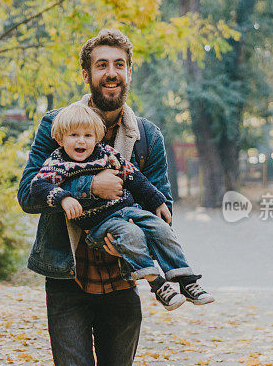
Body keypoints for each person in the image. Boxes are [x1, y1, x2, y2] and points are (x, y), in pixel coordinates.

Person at [17, 28, 179, 366]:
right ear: (86, 73)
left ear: (129, 72)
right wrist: (90, 184)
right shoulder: (58, 125)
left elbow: (163, 206)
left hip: (121, 283)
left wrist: (132, 232)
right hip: (67, 280)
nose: (111, 73)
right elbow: (28, 195)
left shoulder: (147, 137)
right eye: (102, 65)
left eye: (119, 65)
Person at [30, 102, 213, 310]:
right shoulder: (58, 163)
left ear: (96, 137)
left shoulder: (105, 153)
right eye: (74, 135)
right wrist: (64, 198)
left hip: (128, 209)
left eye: (88, 136)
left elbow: (133, 176)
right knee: (130, 234)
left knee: (160, 228)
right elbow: (38, 186)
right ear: (60, 139)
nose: (81, 141)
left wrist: (157, 200)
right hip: (100, 224)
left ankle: (186, 280)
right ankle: (158, 285)